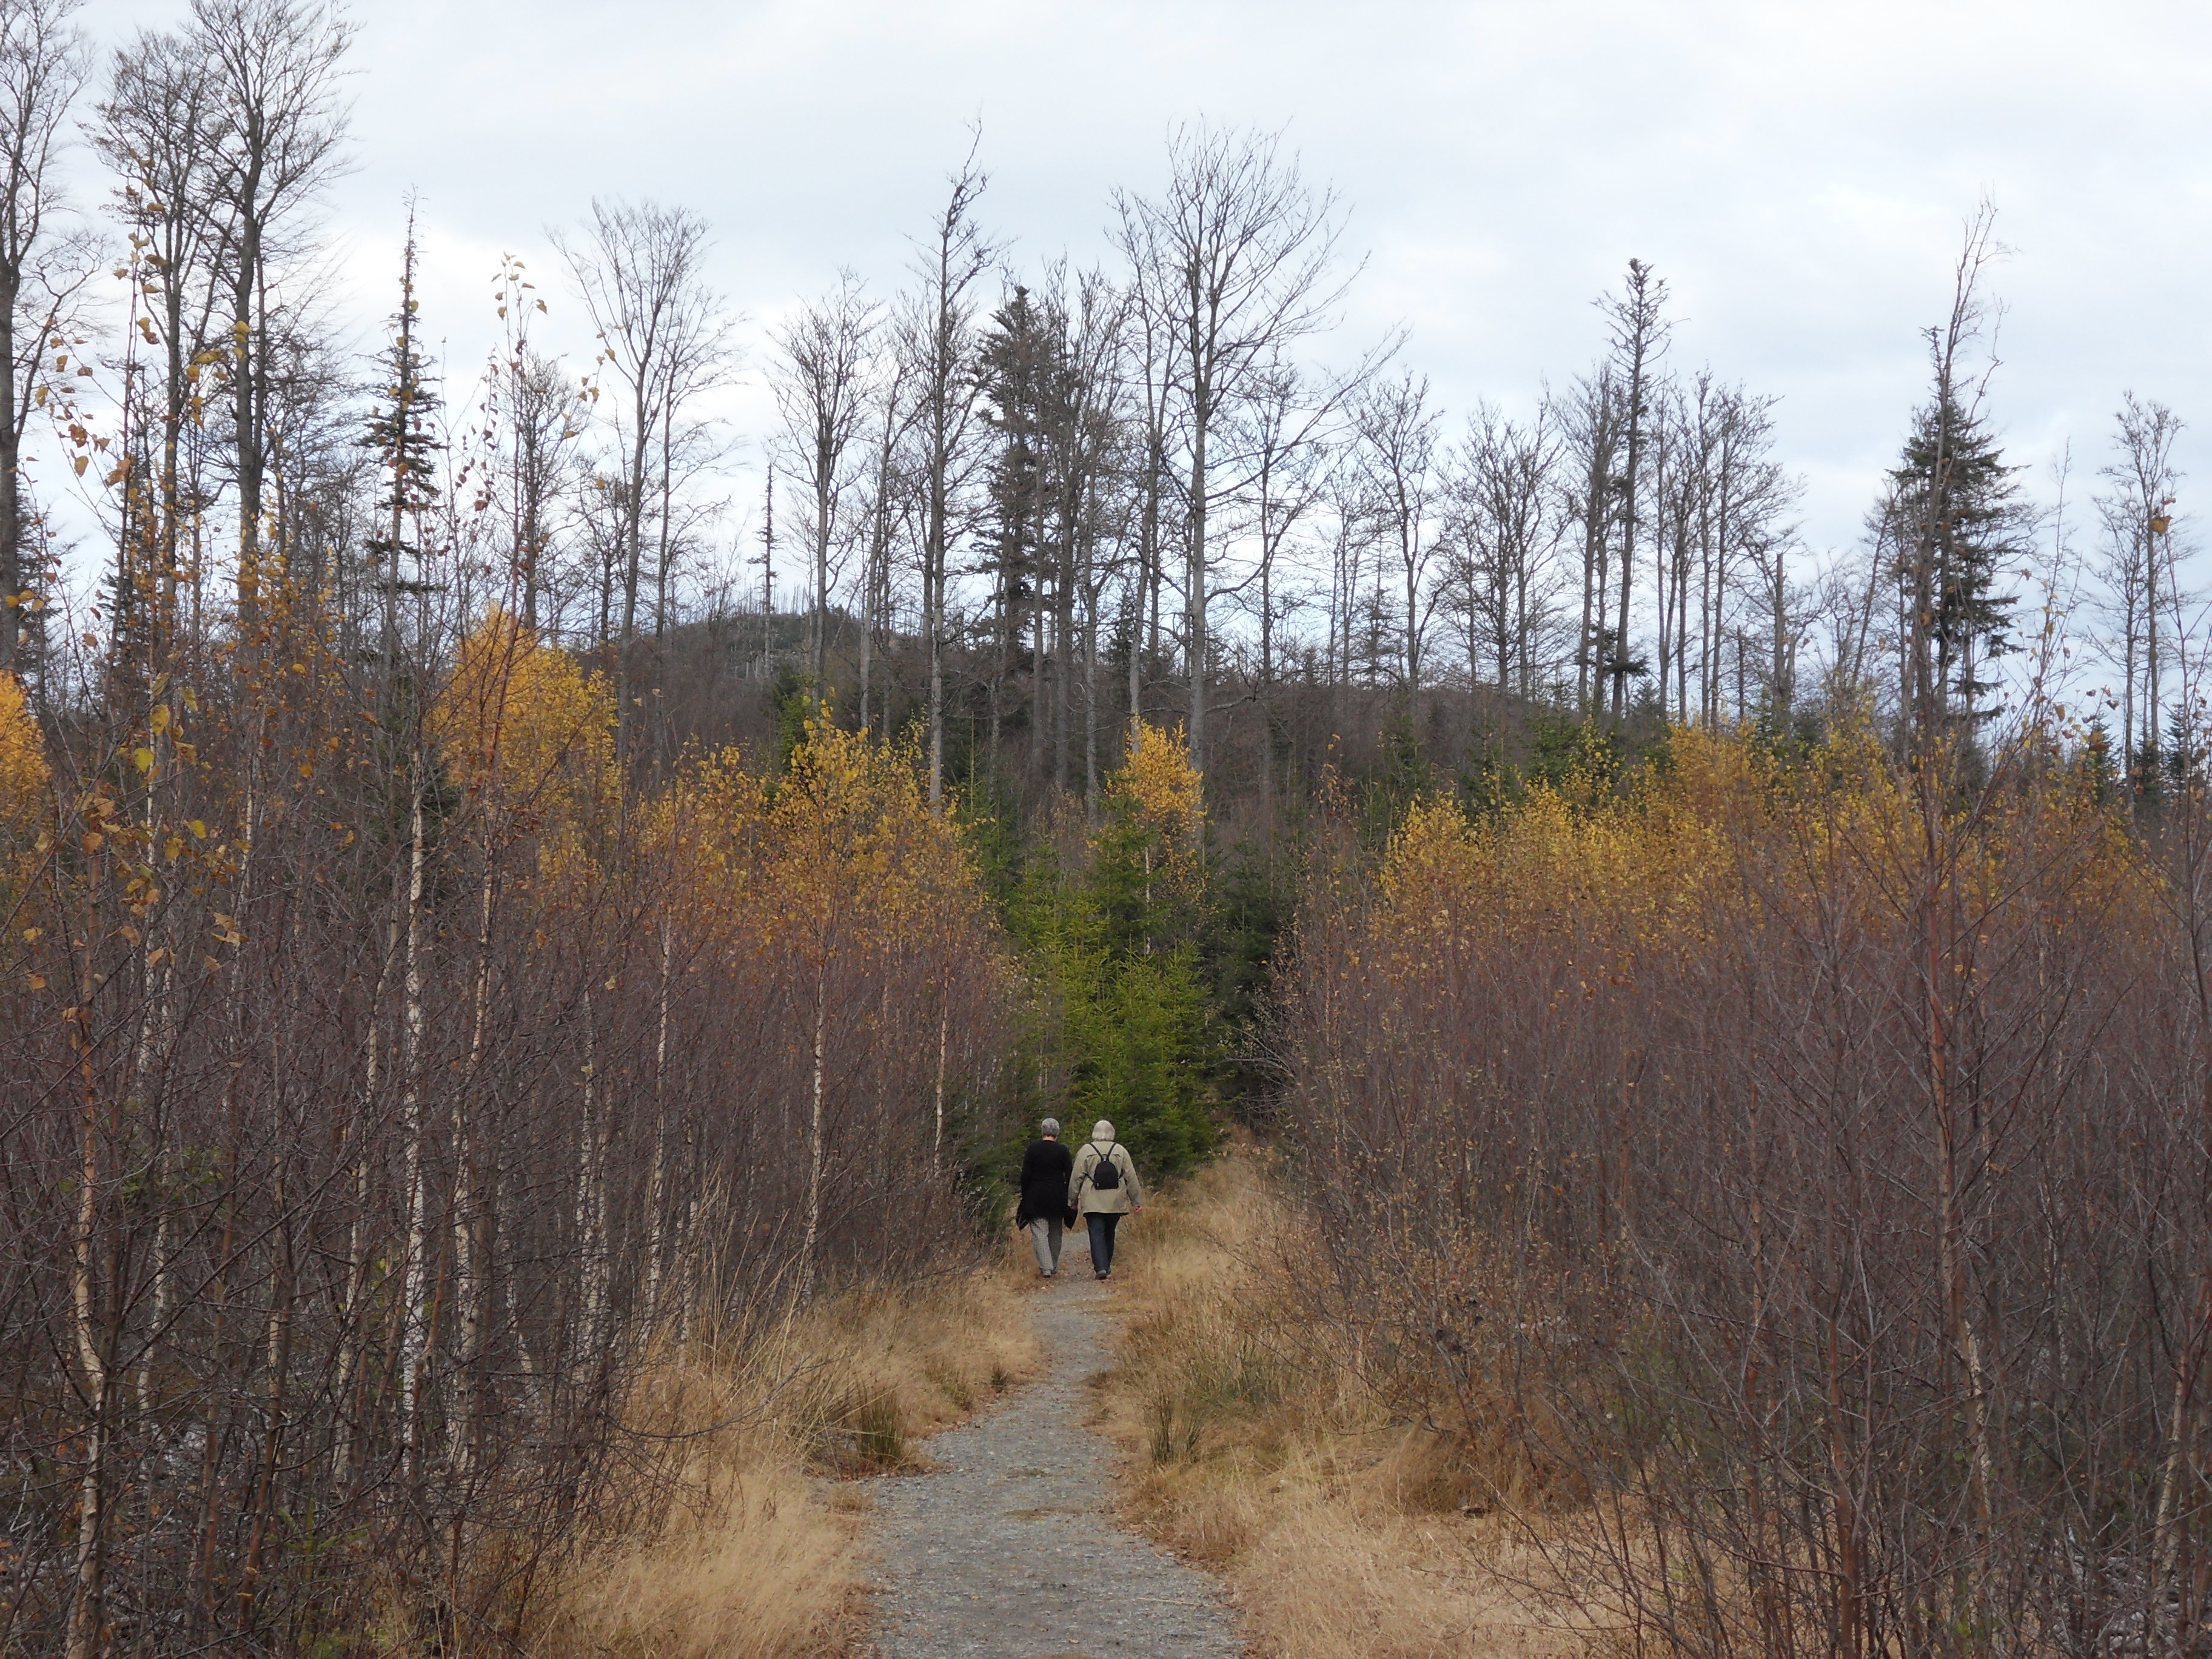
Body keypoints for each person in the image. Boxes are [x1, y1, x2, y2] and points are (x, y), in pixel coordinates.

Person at [1068, 1119, 1143, 1281]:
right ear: (1112, 1133)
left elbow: (1076, 1178)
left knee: (1096, 1233)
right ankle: (1106, 1265)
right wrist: (1136, 1201)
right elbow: (1131, 1177)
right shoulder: (1120, 1151)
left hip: (1092, 1200)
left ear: (1095, 1133)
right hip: (1115, 1200)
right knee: (1110, 1232)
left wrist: (1072, 1200)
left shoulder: (1086, 1151)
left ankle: (1101, 1267)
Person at [1015, 1118, 1076, 1277]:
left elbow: (1025, 1175)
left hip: (1036, 1196)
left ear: (1043, 1132)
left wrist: (1025, 1194)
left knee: (1040, 1233)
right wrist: (1071, 1198)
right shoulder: (1063, 1151)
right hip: (1058, 1197)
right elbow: (1070, 1175)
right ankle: (1053, 1265)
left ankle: (1046, 1267)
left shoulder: (1033, 1149)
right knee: (1056, 1232)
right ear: (1057, 1133)